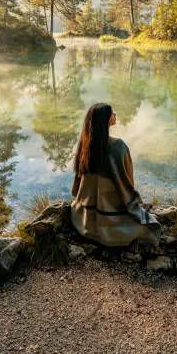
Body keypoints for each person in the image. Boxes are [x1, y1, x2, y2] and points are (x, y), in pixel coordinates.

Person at [71, 103, 161, 247]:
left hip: (83, 217)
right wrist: (133, 204)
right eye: (113, 113)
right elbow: (128, 182)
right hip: (108, 218)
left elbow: (76, 187)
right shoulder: (118, 146)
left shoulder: (85, 144)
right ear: (106, 119)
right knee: (150, 227)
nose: (115, 115)